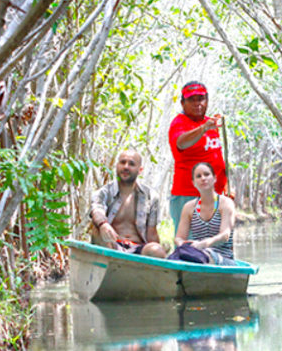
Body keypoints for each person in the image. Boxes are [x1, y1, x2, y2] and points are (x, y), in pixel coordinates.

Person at [168, 81, 227, 230]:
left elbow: (216, 156)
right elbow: (181, 143)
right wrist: (203, 129)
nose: (197, 104)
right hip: (189, 196)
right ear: (182, 103)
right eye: (191, 100)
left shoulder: (211, 124)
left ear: (207, 100)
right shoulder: (179, 123)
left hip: (215, 197)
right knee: (190, 248)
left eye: (200, 99)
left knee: (217, 245)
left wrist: (225, 187)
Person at [89, 149, 166, 258]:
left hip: (138, 248)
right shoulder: (104, 192)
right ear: (117, 166)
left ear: (140, 170)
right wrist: (103, 224)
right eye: (122, 162)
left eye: (131, 164)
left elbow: (152, 233)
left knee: (156, 250)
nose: (126, 167)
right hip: (112, 245)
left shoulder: (151, 196)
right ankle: (108, 268)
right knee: (97, 230)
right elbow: (96, 209)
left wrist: (159, 253)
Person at [173, 162, 236, 265]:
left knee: (200, 256)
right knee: (176, 257)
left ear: (214, 178)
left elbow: (225, 235)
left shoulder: (226, 203)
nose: (203, 178)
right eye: (198, 176)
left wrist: (204, 244)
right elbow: (179, 237)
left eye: (207, 174)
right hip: (197, 254)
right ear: (193, 182)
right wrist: (181, 243)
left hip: (223, 258)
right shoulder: (189, 207)